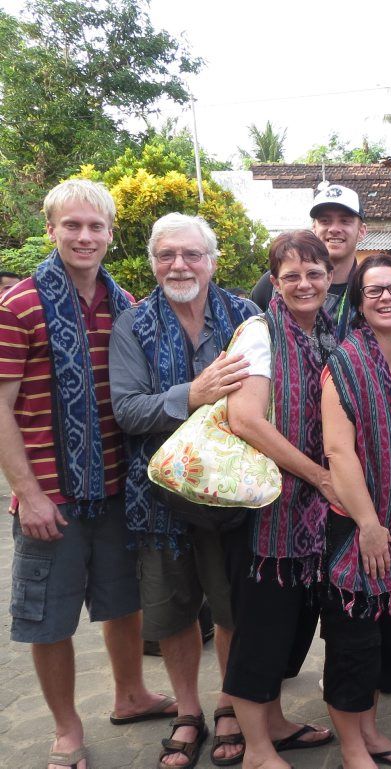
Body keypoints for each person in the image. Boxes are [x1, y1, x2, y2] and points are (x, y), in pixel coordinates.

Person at [0, 179, 175, 769]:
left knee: (122, 601)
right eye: (72, 225)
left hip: (118, 484)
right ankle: (66, 727)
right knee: (49, 616)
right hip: (52, 494)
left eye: (96, 226)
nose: (84, 236)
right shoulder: (21, 304)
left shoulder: (124, 303)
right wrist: (27, 492)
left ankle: (130, 695)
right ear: (51, 230)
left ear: (109, 233)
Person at [110, 213, 258, 767]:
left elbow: (265, 398)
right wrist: (191, 394)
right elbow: (126, 410)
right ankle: (188, 712)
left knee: (230, 608)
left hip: (230, 496)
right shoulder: (134, 324)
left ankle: (228, 705)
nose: (179, 265)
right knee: (173, 613)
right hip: (159, 498)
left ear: (213, 260)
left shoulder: (244, 316)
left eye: (192, 254)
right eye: (167, 254)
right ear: (153, 261)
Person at [223, 230, 339, 769]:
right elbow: (244, 418)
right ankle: (257, 750)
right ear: (274, 279)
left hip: (311, 518)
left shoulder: (329, 333)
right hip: (271, 513)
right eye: (290, 274)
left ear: (330, 276)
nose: (303, 283)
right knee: (262, 629)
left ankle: (274, 722)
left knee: (291, 625)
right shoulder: (261, 333)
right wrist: (317, 474)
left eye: (313, 272)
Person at [319, 254, 391, 769]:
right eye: (373, 290)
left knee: (388, 631)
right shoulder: (344, 362)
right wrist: (368, 525)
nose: (386, 297)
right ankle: (353, 749)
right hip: (358, 520)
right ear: (358, 304)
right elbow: (338, 452)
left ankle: (372, 732)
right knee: (353, 637)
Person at [251, 183, 366, 341]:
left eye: (345, 221)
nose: (334, 229)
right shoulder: (271, 284)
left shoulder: (368, 289)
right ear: (314, 228)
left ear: (362, 231)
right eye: (325, 221)